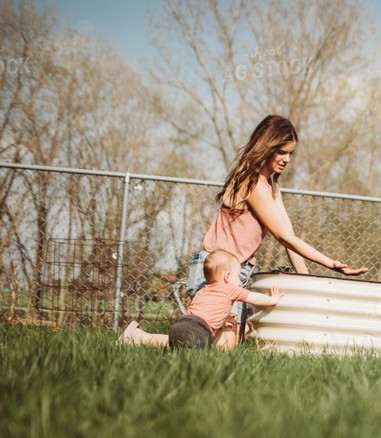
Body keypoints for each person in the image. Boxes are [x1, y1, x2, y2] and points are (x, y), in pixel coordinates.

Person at [186, 114, 367, 331]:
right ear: (267, 147)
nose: (287, 159)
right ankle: (140, 337)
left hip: (236, 274)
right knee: (202, 340)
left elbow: (289, 237)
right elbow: (283, 237)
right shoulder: (251, 183)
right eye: (281, 152)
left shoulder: (271, 186)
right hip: (216, 272)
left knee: (225, 342)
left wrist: (306, 282)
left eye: (290, 153)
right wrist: (330, 263)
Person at [119, 249, 284, 350]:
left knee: (173, 344)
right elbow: (253, 298)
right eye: (236, 276)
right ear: (227, 276)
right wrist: (272, 300)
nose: (238, 281)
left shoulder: (203, 291)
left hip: (181, 322)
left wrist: (222, 321)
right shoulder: (230, 288)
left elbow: (204, 311)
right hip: (198, 329)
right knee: (197, 350)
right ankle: (139, 337)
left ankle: (139, 336)